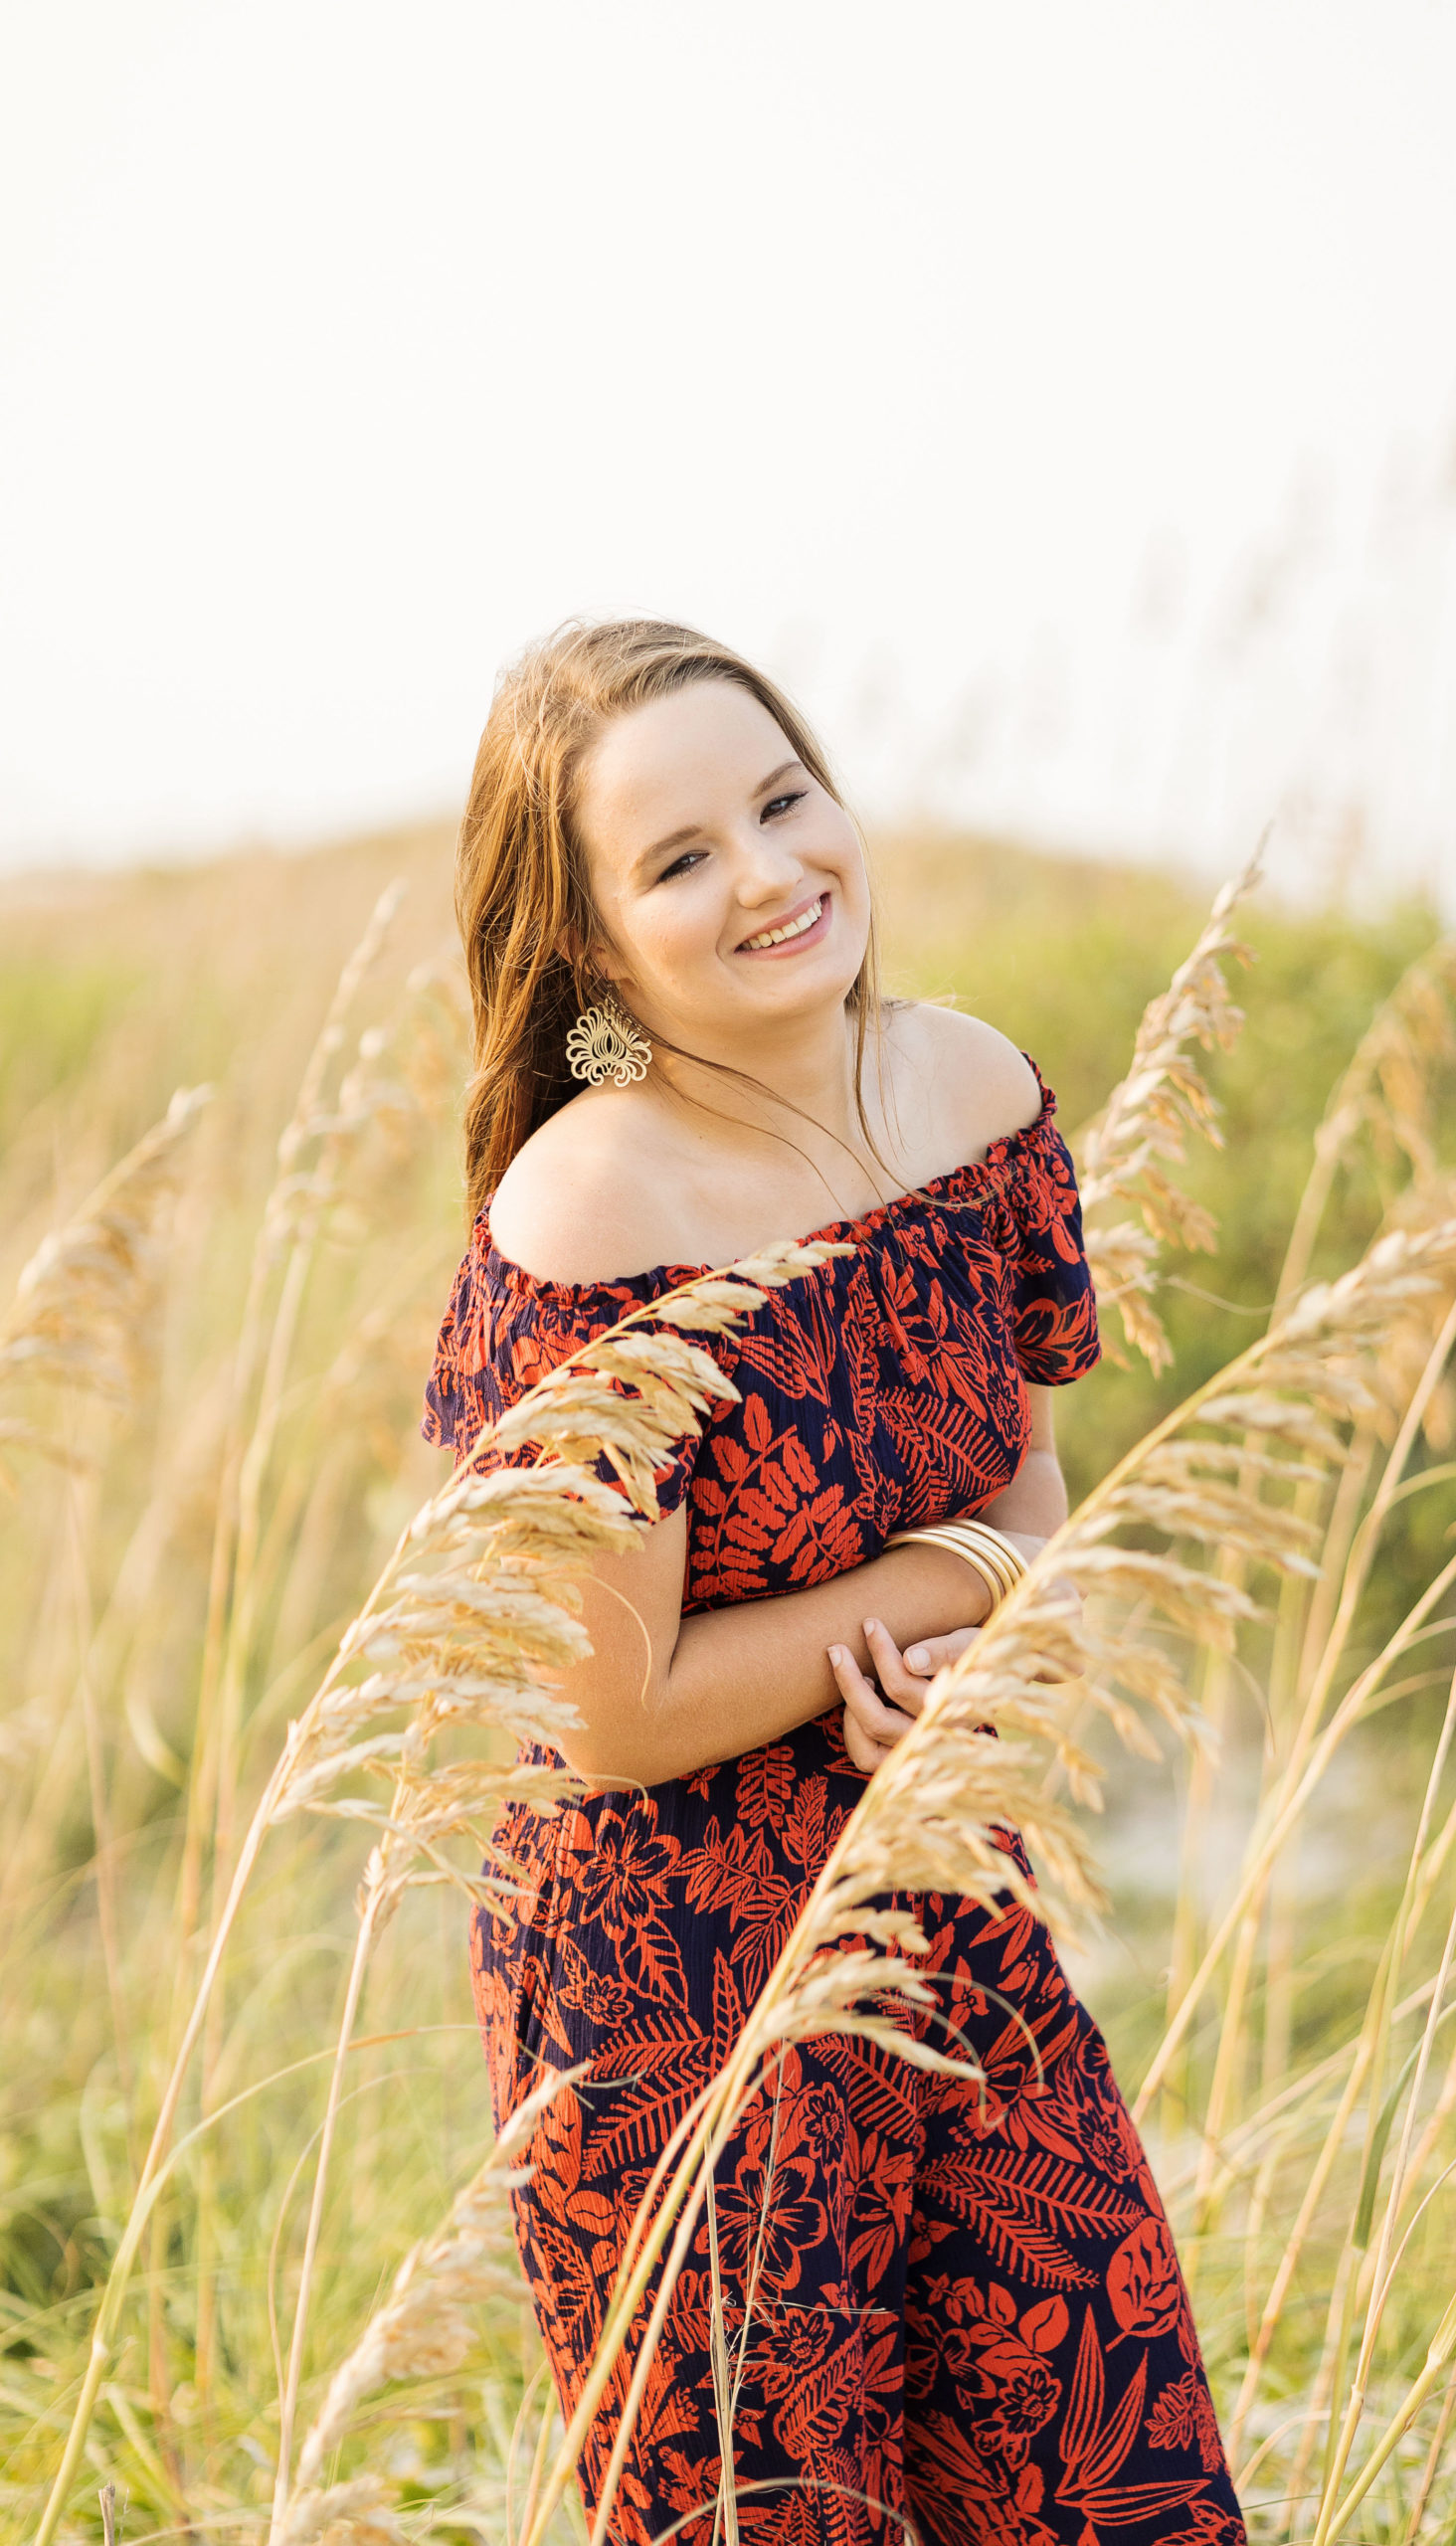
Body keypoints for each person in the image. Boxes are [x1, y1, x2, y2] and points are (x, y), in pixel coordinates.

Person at [423, 620, 1243, 2545]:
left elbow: (1027, 1467)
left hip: (939, 1884)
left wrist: (982, 1639)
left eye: (784, 799)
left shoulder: (964, 1091)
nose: (773, 874)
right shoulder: (587, 1209)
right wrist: (951, 1588)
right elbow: (612, 1711)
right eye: (680, 855)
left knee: (1096, 2470)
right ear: (590, 942)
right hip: (668, 1980)